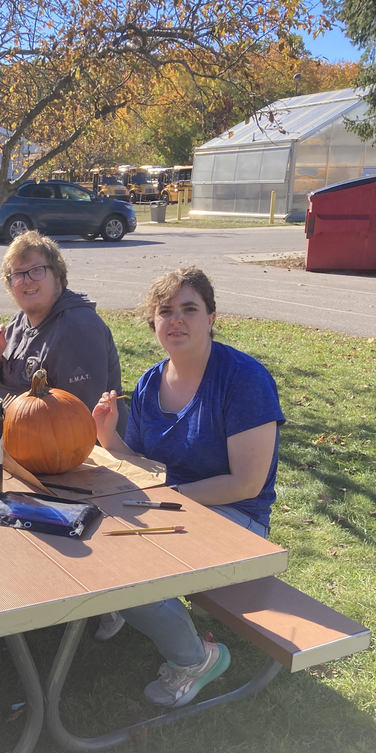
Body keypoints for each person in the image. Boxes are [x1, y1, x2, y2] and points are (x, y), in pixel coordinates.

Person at [92, 267, 285, 706]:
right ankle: (134, 609)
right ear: (153, 323)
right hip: (175, 507)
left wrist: (166, 499)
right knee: (92, 534)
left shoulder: (244, 380)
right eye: (165, 311)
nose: (175, 320)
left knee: (126, 570)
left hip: (238, 519)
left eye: (189, 309)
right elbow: (147, 469)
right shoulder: (149, 382)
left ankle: (195, 659)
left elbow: (246, 482)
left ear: (211, 317)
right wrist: (110, 439)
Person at [0, 230, 128, 425]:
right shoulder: (18, 323)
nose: (27, 280)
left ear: (57, 276)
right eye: (18, 274)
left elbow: (78, 416)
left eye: (36, 270)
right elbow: (1, 388)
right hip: (12, 431)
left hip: (82, 450)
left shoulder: (79, 328)